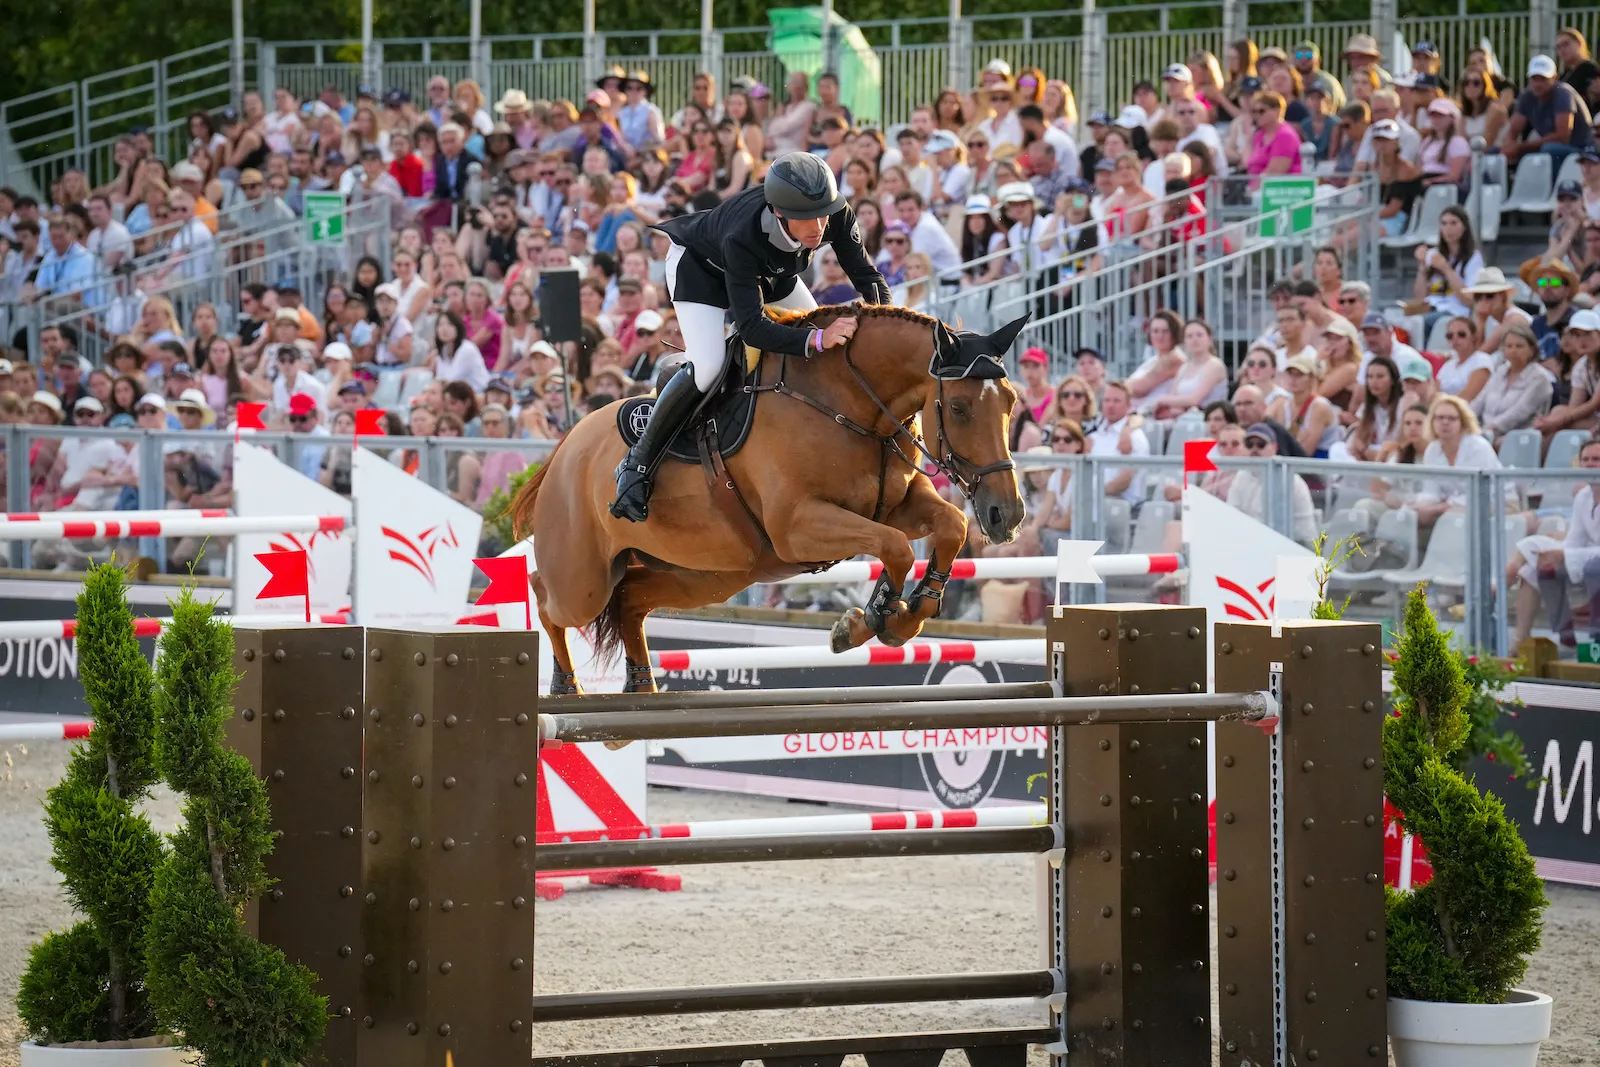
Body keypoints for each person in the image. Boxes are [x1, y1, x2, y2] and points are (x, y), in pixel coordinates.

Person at [611, 153, 890, 521]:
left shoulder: (834, 211)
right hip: (701, 271)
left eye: (823, 214)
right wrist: (818, 339)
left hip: (769, 273)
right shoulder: (741, 234)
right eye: (807, 218)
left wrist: (885, 324)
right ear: (778, 212)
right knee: (709, 368)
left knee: (820, 340)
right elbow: (753, 328)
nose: (819, 227)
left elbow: (868, 278)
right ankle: (637, 464)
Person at [1508, 436, 1600, 648]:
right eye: (1585, 459)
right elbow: (1574, 541)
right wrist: (1556, 556)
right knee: (1546, 569)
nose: (1590, 464)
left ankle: (1597, 638)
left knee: (1594, 568)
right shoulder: (1583, 496)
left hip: (1594, 563)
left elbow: (1572, 552)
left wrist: (1565, 555)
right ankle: (1565, 636)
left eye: (1596, 459)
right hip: (1589, 557)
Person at [1229, 423, 1319, 545]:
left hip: (1294, 545)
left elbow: (1300, 532)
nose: (1254, 449)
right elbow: (1232, 513)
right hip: (1252, 542)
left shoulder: (1288, 479)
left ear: (1274, 447)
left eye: (1261, 444)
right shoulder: (1241, 475)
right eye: (1249, 444)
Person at [1505, 54, 1595, 164]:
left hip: (1581, 149)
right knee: (1495, 152)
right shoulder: (1526, 96)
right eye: (1534, 79)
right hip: (1555, 147)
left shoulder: (1563, 93)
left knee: (1550, 149)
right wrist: (1509, 147)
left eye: (1543, 79)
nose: (1538, 84)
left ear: (1555, 78)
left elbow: (1562, 137)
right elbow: (1513, 131)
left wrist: (1520, 147)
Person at [1473, 324, 1553, 444]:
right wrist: (1466, 420)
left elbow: (1520, 412)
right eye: (1509, 346)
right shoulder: (1500, 371)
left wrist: (1491, 428)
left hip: (1518, 435)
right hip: (1485, 431)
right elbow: (1479, 401)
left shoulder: (1539, 377)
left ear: (1531, 350)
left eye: (1519, 346)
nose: (1513, 350)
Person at [1087, 381, 1150, 506]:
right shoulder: (1094, 436)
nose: (1110, 405)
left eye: (1117, 401)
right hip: (1092, 502)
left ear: (1128, 406)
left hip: (1121, 506)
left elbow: (1123, 482)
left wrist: (1089, 494)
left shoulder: (1134, 437)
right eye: (1107, 400)